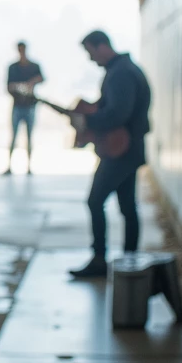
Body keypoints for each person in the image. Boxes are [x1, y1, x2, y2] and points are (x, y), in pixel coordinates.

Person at [69, 29, 152, 279]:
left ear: (101, 46)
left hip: (121, 150)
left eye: (90, 52)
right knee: (127, 206)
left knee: (96, 201)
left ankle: (100, 259)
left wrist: (88, 122)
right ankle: (129, 260)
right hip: (127, 148)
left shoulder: (121, 74)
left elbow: (118, 114)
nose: (91, 59)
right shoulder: (122, 70)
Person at [3, 40, 44, 174]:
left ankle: (29, 167)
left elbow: (41, 78)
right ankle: (9, 166)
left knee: (29, 137)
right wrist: (17, 87)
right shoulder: (13, 67)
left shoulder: (34, 66)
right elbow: (8, 87)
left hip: (30, 106)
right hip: (17, 106)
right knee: (14, 137)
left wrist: (31, 83)